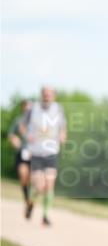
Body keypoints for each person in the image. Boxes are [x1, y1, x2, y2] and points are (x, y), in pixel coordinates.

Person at [22, 88, 66, 226]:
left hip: (51, 152)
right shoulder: (33, 108)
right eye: (45, 94)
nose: (47, 97)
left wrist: (63, 135)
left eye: (50, 95)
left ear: (54, 96)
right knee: (39, 186)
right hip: (36, 152)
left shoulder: (58, 109)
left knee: (49, 185)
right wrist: (26, 135)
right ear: (41, 95)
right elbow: (22, 125)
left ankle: (45, 217)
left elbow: (63, 127)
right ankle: (30, 202)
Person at [8, 99, 32, 205]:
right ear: (22, 108)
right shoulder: (18, 120)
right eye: (26, 107)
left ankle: (32, 196)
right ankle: (27, 199)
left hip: (35, 154)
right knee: (23, 175)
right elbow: (11, 134)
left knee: (34, 178)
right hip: (22, 152)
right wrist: (14, 140)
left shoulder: (38, 121)